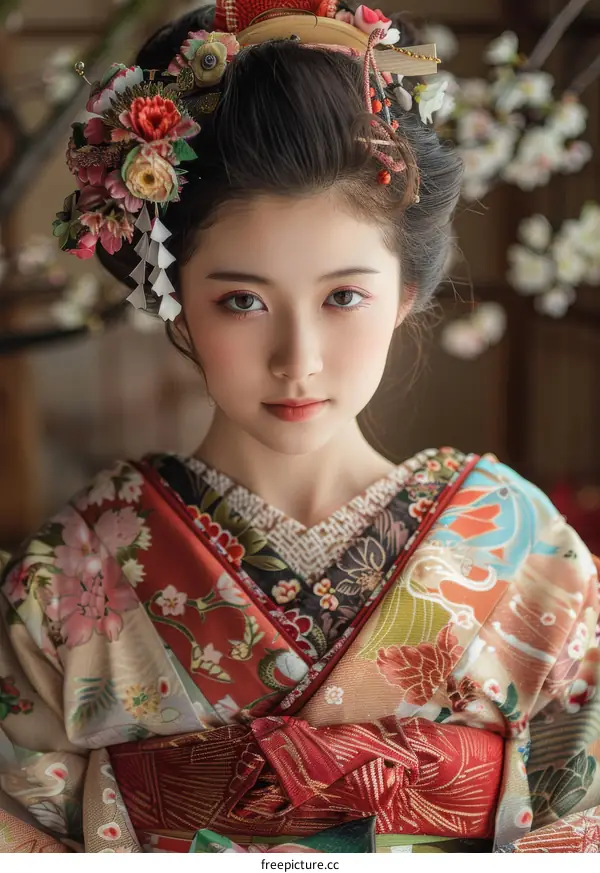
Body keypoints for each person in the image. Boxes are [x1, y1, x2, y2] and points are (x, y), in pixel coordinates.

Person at [1, 0, 599, 855]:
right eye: (241, 301)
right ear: (176, 300)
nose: (298, 359)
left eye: (343, 296)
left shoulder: (524, 549)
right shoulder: (74, 568)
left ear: (405, 294)